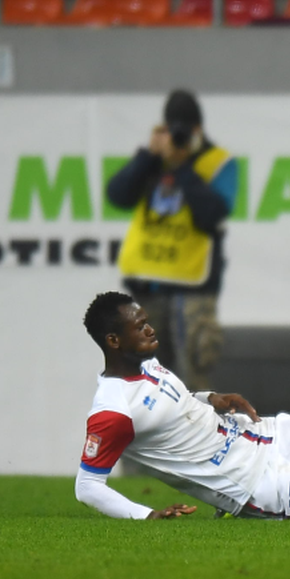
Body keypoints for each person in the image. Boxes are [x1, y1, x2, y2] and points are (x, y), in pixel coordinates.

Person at [76, 291, 290, 521]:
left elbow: (174, 407)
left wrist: (211, 398)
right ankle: (261, 510)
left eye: (146, 321)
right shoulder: (113, 410)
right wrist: (146, 514)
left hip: (259, 434)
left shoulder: (146, 364)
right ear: (114, 341)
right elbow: (88, 486)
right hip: (249, 481)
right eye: (140, 325)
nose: (150, 329)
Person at [106, 89, 236, 392]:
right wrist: (147, 156)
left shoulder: (217, 162)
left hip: (193, 287)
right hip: (150, 284)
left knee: (193, 378)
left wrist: (183, 169)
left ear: (198, 130)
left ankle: (195, 425)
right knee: (148, 380)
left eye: (184, 132)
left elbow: (212, 214)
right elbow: (118, 195)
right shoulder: (155, 159)